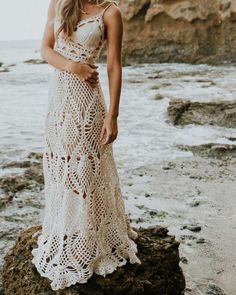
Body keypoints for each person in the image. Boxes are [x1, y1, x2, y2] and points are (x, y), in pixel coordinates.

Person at [31, 0, 141, 291]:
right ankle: (68, 231)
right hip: (59, 102)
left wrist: (112, 115)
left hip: (89, 104)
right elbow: (45, 49)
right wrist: (73, 66)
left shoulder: (111, 13)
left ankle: (90, 238)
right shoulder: (59, 3)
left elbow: (114, 65)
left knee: (88, 171)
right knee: (63, 169)